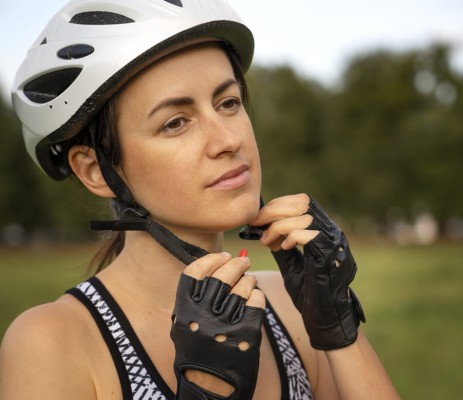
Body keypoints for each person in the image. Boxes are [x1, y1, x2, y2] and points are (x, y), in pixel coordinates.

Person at [0, 1, 400, 399]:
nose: (229, 140)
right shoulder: (51, 343)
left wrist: (338, 329)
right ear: (96, 170)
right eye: (175, 123)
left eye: (229, 103)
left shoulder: (288, 303)